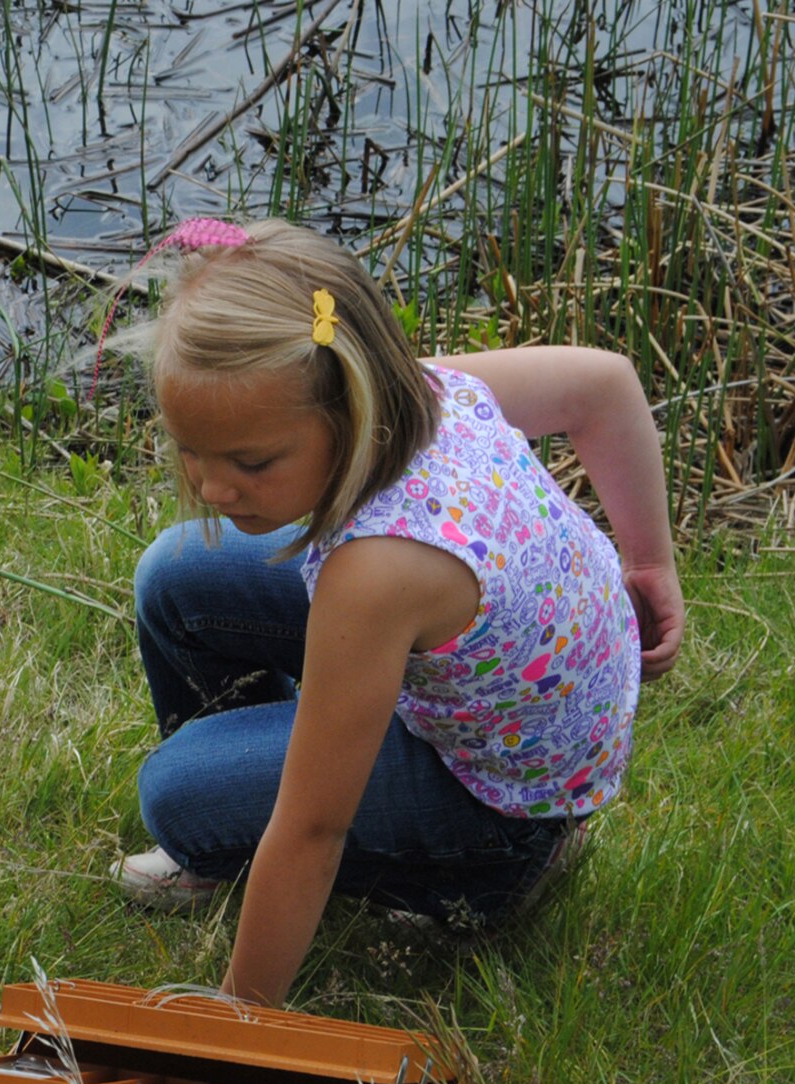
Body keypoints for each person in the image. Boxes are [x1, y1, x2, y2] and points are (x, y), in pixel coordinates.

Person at [105, 218, 684, 1006]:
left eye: (251, 461)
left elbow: (314, 832)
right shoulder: (417, 384)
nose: (212, 487)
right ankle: (238, 824)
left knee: (174, 793)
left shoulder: (376, 573)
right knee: (174, 573)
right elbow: (604, 384)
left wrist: (239, 1018)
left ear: (346, 406)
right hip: (529, 711)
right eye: (192, 450)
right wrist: (648, 563)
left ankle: (484, 884)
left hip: (501, 810)